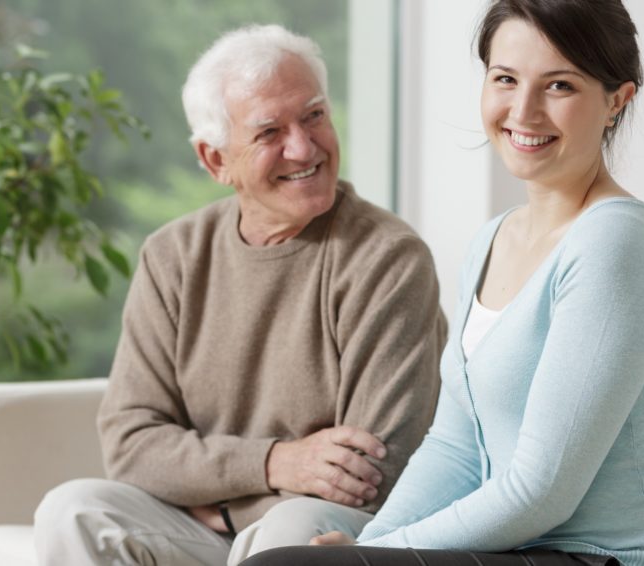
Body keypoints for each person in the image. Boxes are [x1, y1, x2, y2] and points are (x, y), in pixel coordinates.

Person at [240, 1, 644, 565]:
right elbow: (456, 447)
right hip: (527, 547)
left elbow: (543, 491)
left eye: (559, 86)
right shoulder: (492, 240)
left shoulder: (613, 243)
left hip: (612, 556)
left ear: (617, 100)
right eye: (505, 79)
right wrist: (371, 543)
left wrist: (379, 552)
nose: (524, 111)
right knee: (297, 545)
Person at [32, 24, 447, 566]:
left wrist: (222, 509)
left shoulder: (388, 258)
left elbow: (369, 475)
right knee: (74, 510)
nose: (303, 147)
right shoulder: (172, 256)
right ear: (216, 160)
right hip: (212, 526)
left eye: (314, 115)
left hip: (330, 532)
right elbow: (132, 446)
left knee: (292, 528)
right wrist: (274, 462)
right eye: (270, 131)